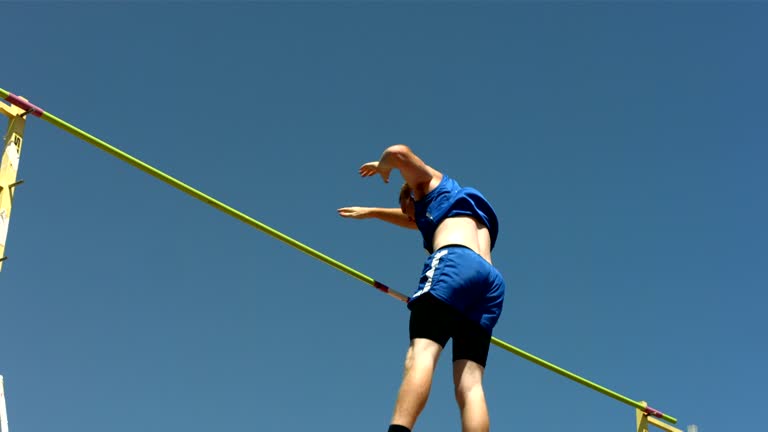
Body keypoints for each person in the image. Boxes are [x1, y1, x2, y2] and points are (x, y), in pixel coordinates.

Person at [338, 144, 505, 432]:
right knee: (470, 382)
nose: (411, 221)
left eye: (409, 211)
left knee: (421, 353)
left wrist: (384, 166)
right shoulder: (462, 207)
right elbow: (414, 218)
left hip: (456, 264)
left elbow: (399, 152)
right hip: (490, 283)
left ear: (414, 195)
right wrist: (373, 212)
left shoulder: (431, 185)